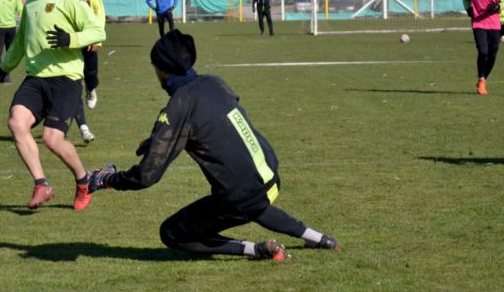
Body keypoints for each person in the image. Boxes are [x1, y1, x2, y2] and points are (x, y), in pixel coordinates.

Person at [88, 29, 340, 261]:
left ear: (162, 69)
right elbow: (212, 118)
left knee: (172, 233)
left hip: (241, 195)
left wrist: (109, 179)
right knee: (254, 202)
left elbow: (147, 176)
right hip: (270, 176)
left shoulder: (178, 106)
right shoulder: (213, 82)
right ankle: (320, 239)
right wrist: (159, 139)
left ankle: (255, 249)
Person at [0, 0, 106, 211]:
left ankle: (83, 179)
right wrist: (3, 67)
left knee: (52, 139)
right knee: (17, 123)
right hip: (36, 79)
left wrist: (71, 39)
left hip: (66, 79)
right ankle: (41, 184)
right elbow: (20, 42)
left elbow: (98, 30)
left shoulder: (73, 1)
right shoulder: (31, 4)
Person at [66, 0, 106, 143]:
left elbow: (98, 7)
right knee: (72, 84)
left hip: (88, 38)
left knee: (90, 75)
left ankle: (91, 89)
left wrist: (97, 37)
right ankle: (83, 128)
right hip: (67, 42)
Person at [463, 0, 504, 95]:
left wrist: (498, 6)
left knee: (492, 54)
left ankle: (483, 79)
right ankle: (481, 80)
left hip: (494, 24)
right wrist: (468, 8)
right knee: (483, 52)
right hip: (478, 23)